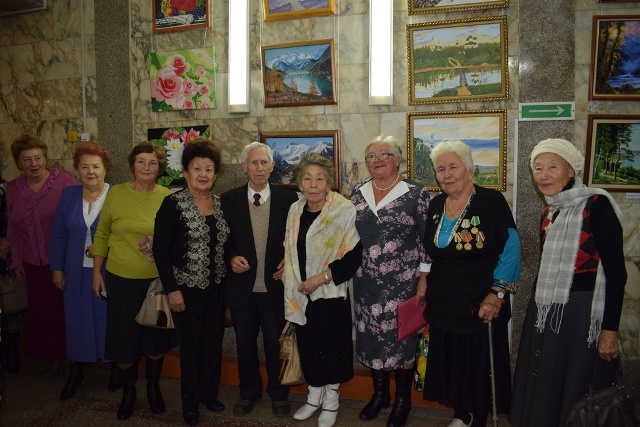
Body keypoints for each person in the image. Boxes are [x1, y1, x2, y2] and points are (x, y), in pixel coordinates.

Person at [510, 138, 627, 427]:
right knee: (547, 378)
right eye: (538, 168)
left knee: (576, 381)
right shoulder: (549, 212)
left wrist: (609, 330)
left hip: (583, 314)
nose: (544, 175)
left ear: (571, 170)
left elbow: (617, 273)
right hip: (548, 309)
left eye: (553, 167)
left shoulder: (597, 205)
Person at [422, 140, 520, 427]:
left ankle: (479, 417)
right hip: (444, 302)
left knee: (478, 364)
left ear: (469, 170)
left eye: (453, 167)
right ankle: (461, 413)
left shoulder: (490, 201)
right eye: (441, 169)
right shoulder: (436, 204)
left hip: (480, 302)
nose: (447, 174)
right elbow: (431, 251)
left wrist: (497, 294)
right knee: (452, 361)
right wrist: (424, 281)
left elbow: (512, 248)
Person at [349, 134, 431, 427]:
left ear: (398, 159)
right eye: (371, 156)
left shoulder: (415, 193)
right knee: (372, 337)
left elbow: (426, 240)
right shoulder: (357, 192)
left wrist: (424, 280)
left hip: (404, 283)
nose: (378, 160)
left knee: (402, 338)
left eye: (384, 154)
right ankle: (380, 394)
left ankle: (402, 401)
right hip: (366, 282)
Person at [92, 141, 176, 420]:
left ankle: (153, 388)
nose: (146, 167)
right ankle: (128, 393)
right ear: (132, 165)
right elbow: (102, 234)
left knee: (154, 339)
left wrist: (156, 240)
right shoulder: (116, 193)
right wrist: (97, 272)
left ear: (159, 168)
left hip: (155, 281)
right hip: (120, 280)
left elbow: (175, 238)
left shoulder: (168, 197)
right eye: (141, 161)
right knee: (124, 341)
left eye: (152, 163)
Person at [152, 138, 230, 426]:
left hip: (216, 289)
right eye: (197, 168)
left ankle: (209, 395)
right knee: (191, 348)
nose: (203, 174)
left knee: (213, 344)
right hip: (185, 291)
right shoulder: (173, 204)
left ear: (215, 174)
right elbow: (160, 250)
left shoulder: (219, 204)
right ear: (185, 172)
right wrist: (172, 290)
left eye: (208, 169)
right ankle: (190, 403)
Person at [283, 153, 361, 427]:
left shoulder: (343, 210)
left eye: (320, 179)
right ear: (300, 184)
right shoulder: (295, 210)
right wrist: (287, 266)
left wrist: (321, 278)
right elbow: (291, 247)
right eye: (307, 179)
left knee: (332, 346)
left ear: (329, 183)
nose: (313, 184)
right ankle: (314, 396)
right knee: (309, 345)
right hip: (301, 293)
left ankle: (331, 400)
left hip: (330, 292)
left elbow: (353, 255)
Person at [220, 142, 298, 418]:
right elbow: (221, 240)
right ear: (244, 167)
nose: (259, 168)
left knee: (275, 344)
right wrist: (230, 257)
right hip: (242, 288)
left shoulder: (289, 200)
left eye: (264, 162)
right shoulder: (228, 200)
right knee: (244, 344)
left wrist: (288, 260)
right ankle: (248, 393)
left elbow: (298, 239)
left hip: (275, 287)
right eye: (254, 163)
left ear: (272, 166)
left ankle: (279, 394)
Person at [50, 142, 120, 401]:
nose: (91, 172)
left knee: (109, 321)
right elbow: (59, 235)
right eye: (84, 166)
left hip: (110, 271)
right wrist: (57, 268)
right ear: (77, 169)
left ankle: (116, 368)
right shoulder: (69, 195)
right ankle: (76, 371)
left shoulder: (117, 195)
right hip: (75, 272)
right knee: (77, 322)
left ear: (105, 169)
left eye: (96, 166)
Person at [6, 134, 78, 377]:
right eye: (27, 159)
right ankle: (52, 357)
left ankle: (70, 356)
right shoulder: (13, 189)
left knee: (63, 310)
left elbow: (77, 219)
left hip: (63, 261)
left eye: (38, 158)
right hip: (32, 262)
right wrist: (17, 260)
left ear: (45, 158)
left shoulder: (64, 182)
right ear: (19, 163)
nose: (34, 164)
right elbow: (12, 229)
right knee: (41, 313)